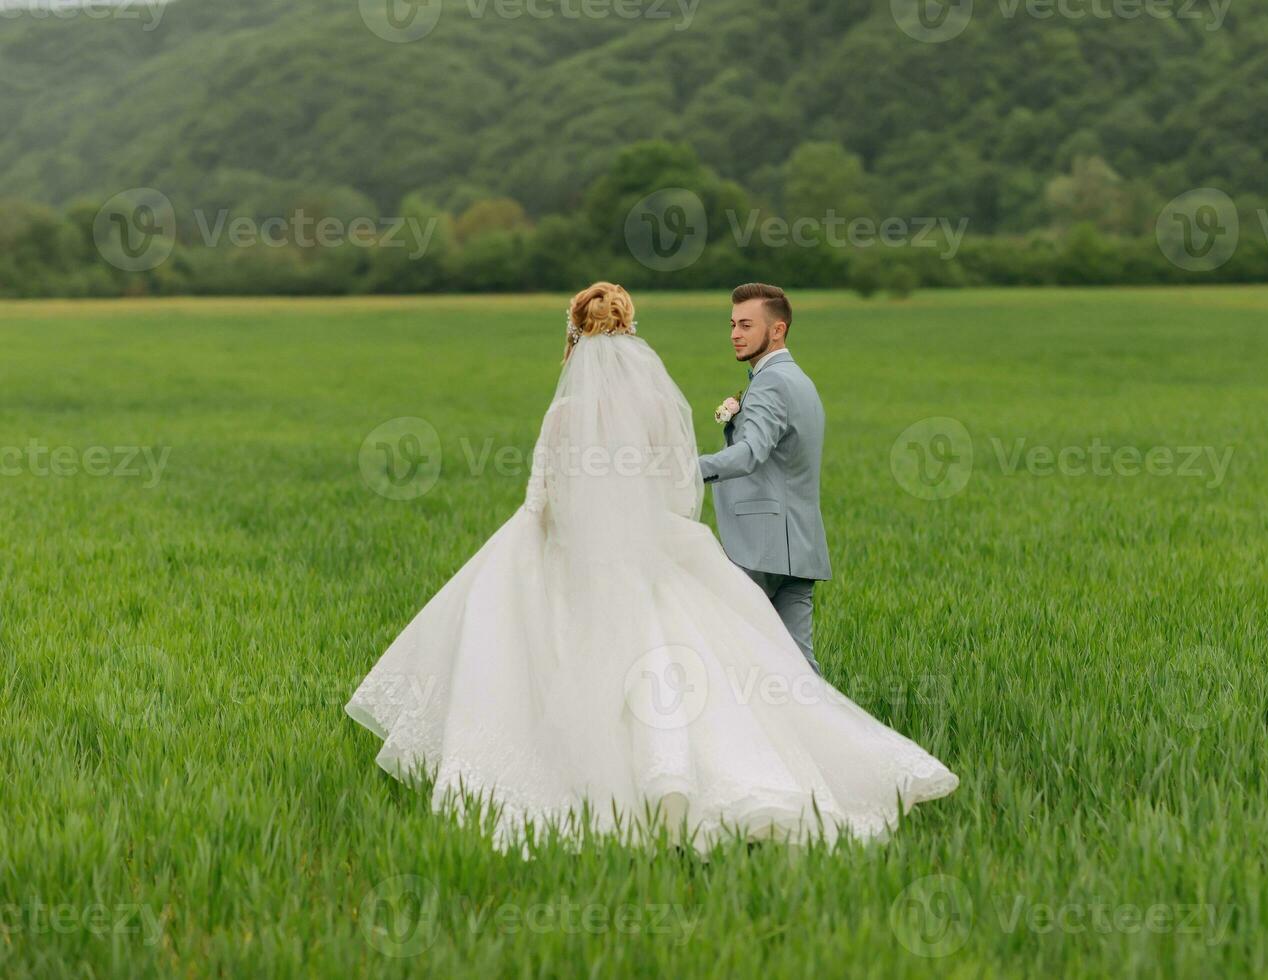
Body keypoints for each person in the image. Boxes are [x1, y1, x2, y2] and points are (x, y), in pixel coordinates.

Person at [345, 282, 956, 853]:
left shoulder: (565, 415)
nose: (736, 332)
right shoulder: (659, 405)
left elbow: (542, 497)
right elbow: (673, 482)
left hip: (581, 554)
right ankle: (795, 760)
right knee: (735, 662)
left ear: (576, 335)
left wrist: (541, 537)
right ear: (631, 328)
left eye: (744, 324)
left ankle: (579, 778)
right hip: (657, 552)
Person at [699, 283, 828, 674]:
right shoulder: (801, 381)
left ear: (777, 330)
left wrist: (686, 470)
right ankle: (823, 735)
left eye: (746, 325)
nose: (735, 334)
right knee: (800, 668)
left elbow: (751, 451)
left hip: (759, 547)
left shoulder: (770, 382)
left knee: (730, 663)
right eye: (733, 324)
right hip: (801, 549)